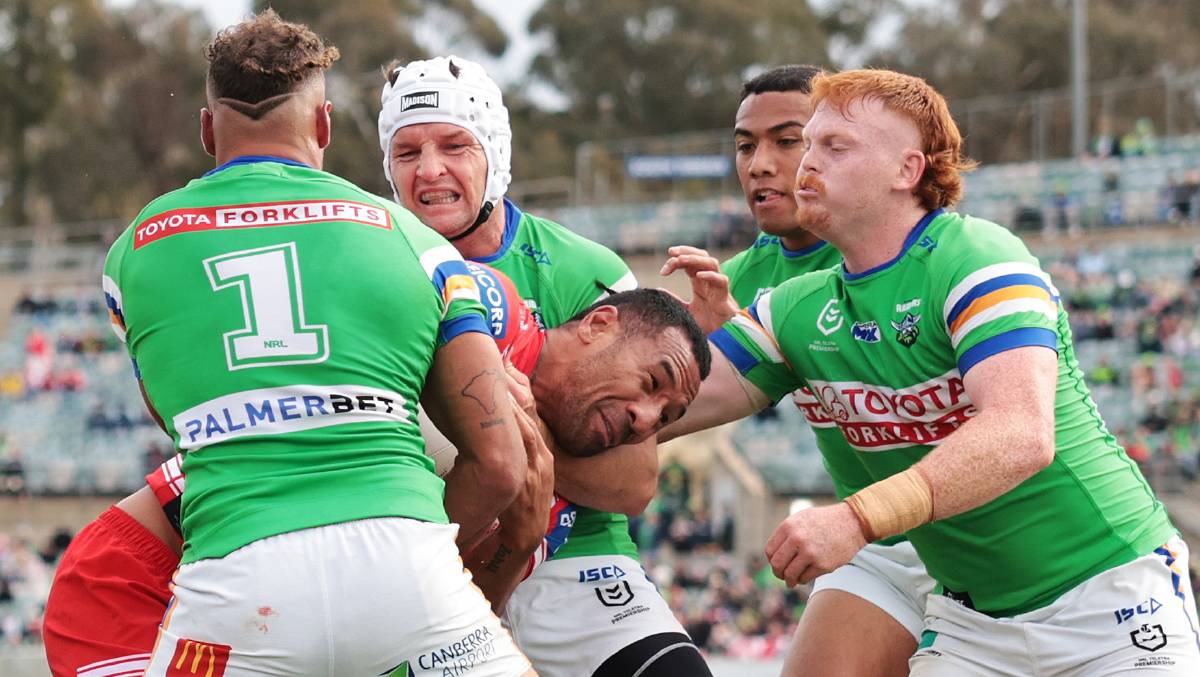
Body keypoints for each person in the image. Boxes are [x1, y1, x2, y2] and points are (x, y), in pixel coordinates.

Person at [663, 68, 1200, 675]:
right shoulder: (794, 304)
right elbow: (666, 409)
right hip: (972, 620)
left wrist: (856, 518)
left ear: (907, 171)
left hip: (1105, 602)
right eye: (808, 143)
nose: (804, 163)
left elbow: (1023, 434)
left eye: (833, 147)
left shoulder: (977, 257)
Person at [96, 11, 535, 676]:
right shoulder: (419, 245)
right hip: (409, 574)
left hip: (237, 587)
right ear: (324, 124)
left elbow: (172, 414)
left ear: (208, 129)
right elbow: (501, 463)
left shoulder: (132, 252)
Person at [44, 265, 709, 676]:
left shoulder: (554, 512)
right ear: (597, 323)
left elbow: (448, 622)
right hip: (144, 581)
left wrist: (518, 539)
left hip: (271, 611)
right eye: (653, 382)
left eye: (666, 415)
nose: (647, 418)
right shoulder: (490, 311)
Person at [379, 55, 714, 677]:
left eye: (455, 145)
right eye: (407, 153)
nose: (431, 171)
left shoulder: (581, 269)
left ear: (494, 153)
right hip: (426, 550)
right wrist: (499, 444)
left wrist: (496, 431)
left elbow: (632, 483)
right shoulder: (372, 256)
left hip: (575, 554)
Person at [716, 64, 934, 677]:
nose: (762, 164)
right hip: (882, 548)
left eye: (790, 141)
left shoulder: (941, 254)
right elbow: (669, 405)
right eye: (744, 145)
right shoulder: (732, 285)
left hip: (996, 539)